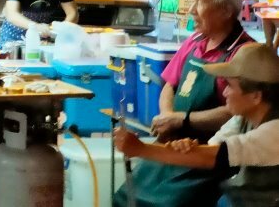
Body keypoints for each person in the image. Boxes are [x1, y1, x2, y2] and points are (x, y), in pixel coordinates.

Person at [113, 0, 254, 207]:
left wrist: (182, 120)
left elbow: (238, 113)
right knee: (125, 196)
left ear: (226, 11)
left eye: (200, 2)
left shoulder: (244, 53)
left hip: (207, 154)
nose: (191, 10)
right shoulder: (194, 41)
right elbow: (170, 84)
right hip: (174, 144)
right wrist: (167, 116)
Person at [115, 42, 279, 207]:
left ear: (256, 96)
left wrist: (140, 149)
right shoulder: (242, 118)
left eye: (230, 86)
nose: (225, 92)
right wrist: (188, 147)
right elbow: (212, 148)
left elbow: (213, 157)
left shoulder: (274, 132)